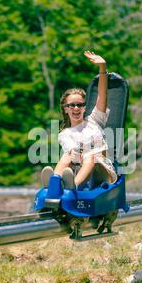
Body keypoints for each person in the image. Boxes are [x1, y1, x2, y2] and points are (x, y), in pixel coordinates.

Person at [41, 51, 117, 190]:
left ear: (84, 107)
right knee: (66, 157)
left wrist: (102, 68)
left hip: (103, 173)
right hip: (80, 172)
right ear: (65, 109)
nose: (76, 108)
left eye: (80, 105)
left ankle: (73, 186)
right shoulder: (65, 134)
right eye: (71, 105)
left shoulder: (95, 120)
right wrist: (76, 156)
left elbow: (102, 95)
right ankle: (54, 185)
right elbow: (71, 152)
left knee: (90, 157)